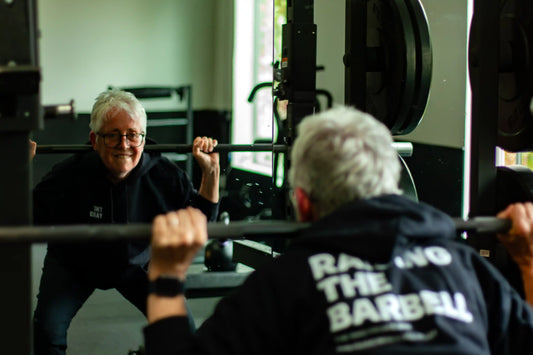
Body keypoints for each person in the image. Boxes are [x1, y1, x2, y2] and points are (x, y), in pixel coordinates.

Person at [144, 106, 533, 354]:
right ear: (392, 184)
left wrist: (165, 276)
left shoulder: (283, 286)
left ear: (304, 201)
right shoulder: (463, 267)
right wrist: (529, 262)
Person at [32, 89, 220, 355]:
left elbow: (201, 224)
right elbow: (24, 219)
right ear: (94, 140)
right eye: (112, 136)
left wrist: (210, 172)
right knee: (45, 332)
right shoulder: (67, 176)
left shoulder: (163, 175)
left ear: (143, 138)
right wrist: (13, 170)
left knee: (182, 332)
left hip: (136, 265)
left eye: (133, 135)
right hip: (73, 265)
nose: (124, 145)